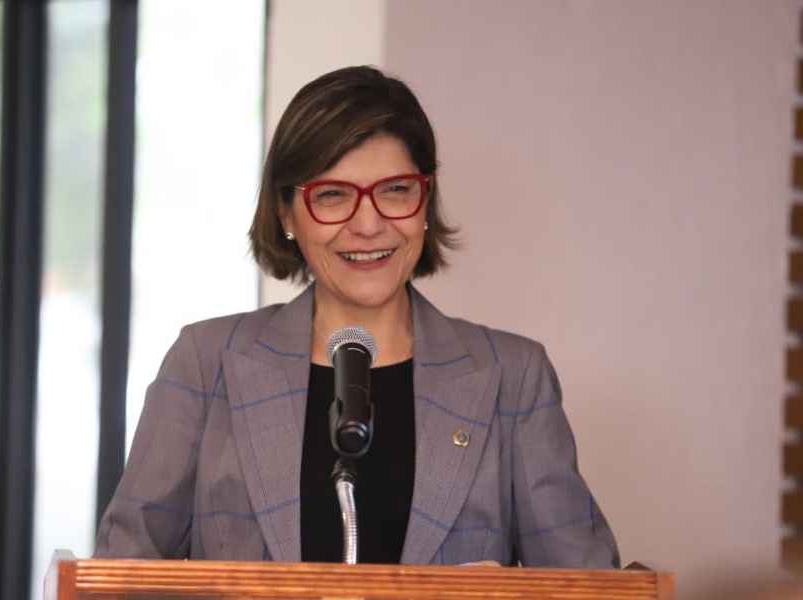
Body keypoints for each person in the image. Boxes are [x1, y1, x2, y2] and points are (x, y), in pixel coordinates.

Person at [94, 66, 619, 567]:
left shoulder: (513, 377)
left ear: (425, 201)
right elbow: (120, 575)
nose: (368, 225)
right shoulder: (205, 365)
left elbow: (587, 583)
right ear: (286, 213)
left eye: (395, 190)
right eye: (332, 196)